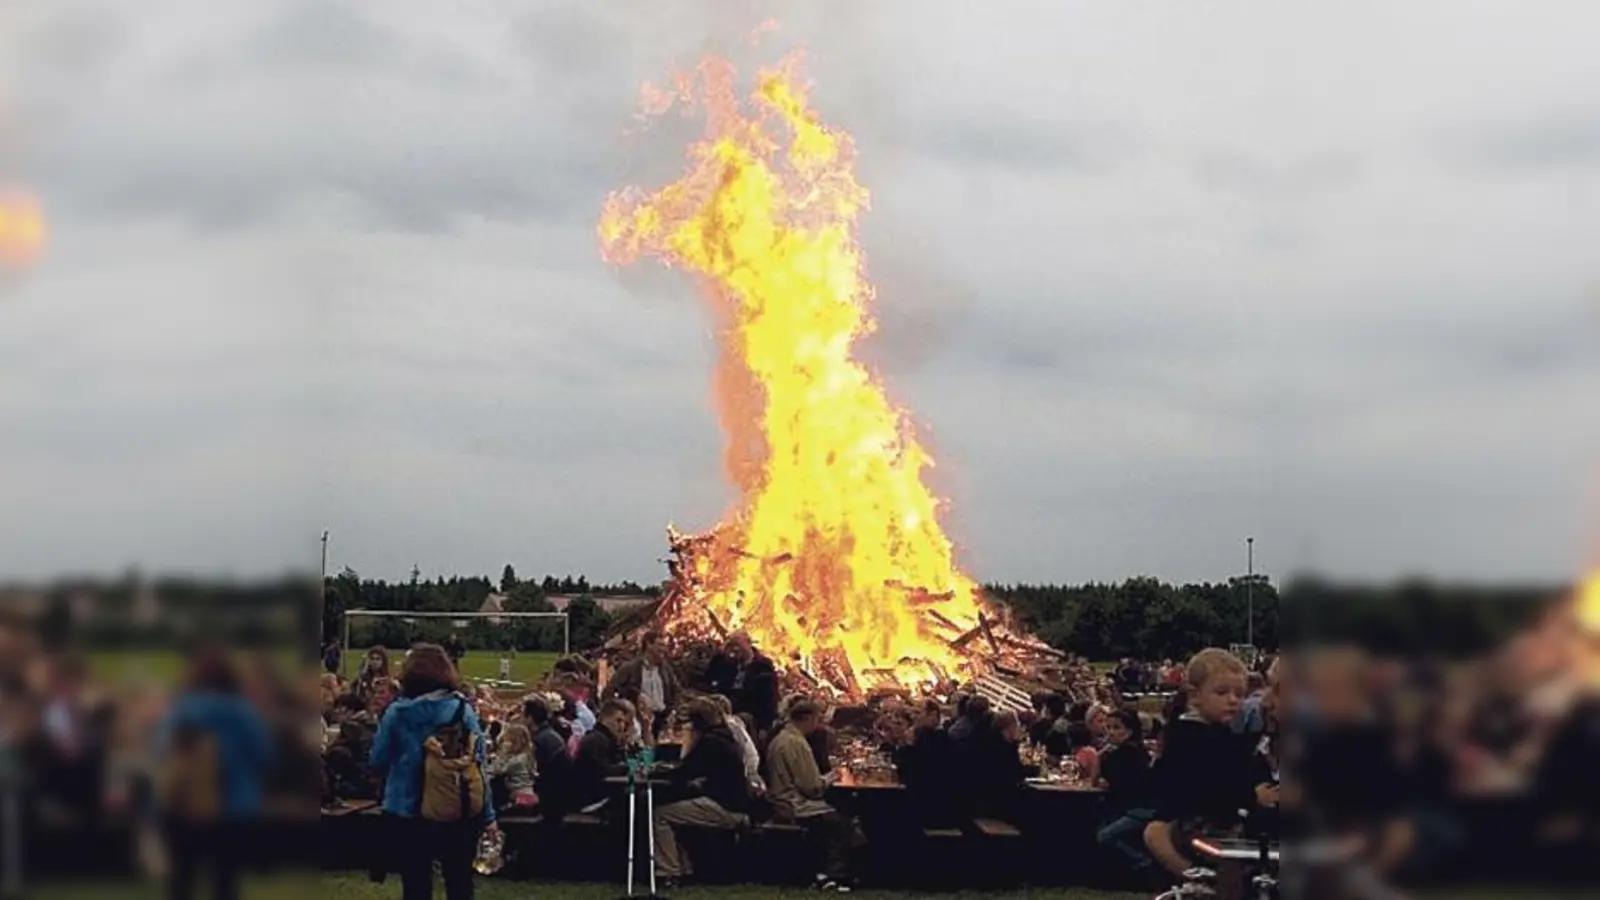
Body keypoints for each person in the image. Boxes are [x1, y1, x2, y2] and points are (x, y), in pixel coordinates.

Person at [368, 643, 497, 900]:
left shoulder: (397, 713)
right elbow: (478, 762)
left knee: (415, 884)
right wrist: (488, 814)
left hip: (408, 810)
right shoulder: (463, 710)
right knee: (459, 881)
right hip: (455, 805)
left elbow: (377, 761)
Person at [153, 646, 274, 900]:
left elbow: (161, 749)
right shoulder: (243, 711)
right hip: (233, 808)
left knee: (182, 878)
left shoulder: (182, 709)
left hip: (184, 806)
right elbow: (264, 755)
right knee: (226, 881)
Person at [1143, 648, 1257, 881]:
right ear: (1195, 696)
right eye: (1222, 693)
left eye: (1239, 694)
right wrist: (1252, 795)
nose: (1233, 700)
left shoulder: (1215, 733)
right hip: (1202, 824)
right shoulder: (1193, 737)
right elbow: (1214, 785)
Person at [765, 699, 864, 892]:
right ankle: (834, 875)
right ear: (809, 718)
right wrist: (832, 777)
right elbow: (811, 787)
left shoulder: (781, 738)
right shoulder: (796, 743)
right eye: (818, 719)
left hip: (783, 800)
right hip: (795, 804)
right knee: (843, 823)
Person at [653, 698, 752, 888]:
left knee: (661, 814)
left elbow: (684, 772)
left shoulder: (710, 742)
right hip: (734, 803)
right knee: (677, 812)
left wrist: (657, 771)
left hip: (726, 808)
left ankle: (669, 871)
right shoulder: (724, 737)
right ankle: (684, 867)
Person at [1096, 709, 1156, 875]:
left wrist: (1098, 756)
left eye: (1116, 728)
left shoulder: (1124, 755)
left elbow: (1110, 783)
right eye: (1108, 727)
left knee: (1105, 835)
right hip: (1131, 806)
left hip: (1139, 809)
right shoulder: (1133, 752)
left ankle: (1142, 862)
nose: (1111, 732)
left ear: (1129, 731)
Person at [606, 631, 681, 739]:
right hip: (638, 719)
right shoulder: (630, 668)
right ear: (649, 645)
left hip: (662, 719)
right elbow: (612, 689)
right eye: (660, 645)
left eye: (665, 646)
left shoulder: (666, 669)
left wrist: (673, 710)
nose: (664, 649)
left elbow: (676, 690)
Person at [706, 632, 779, 734]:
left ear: (748, 644)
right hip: (724, 710)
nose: (735, 649)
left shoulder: (762, 669)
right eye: (732, 645)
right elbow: (710, 679)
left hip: (748, 717)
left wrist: (764, 726)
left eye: (738, 645)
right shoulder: (726, 664)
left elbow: (769, 700)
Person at [570, 698, 632, 814]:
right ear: (605, 719)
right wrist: (624, 767)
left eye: (624, 723)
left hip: (598, 796)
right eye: (618, 721)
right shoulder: (597, 740)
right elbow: (600, 770)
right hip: (591, 800)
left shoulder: (606, 739)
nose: (621, 726)